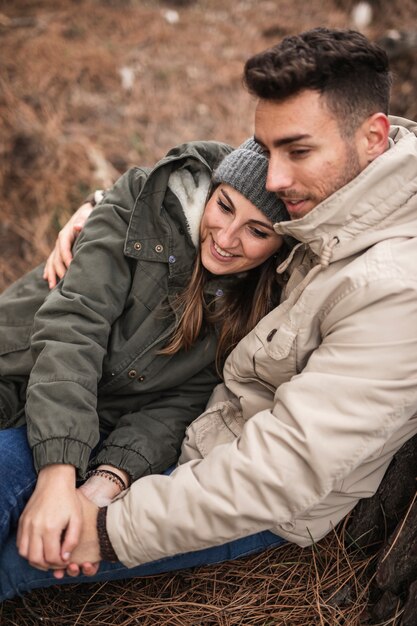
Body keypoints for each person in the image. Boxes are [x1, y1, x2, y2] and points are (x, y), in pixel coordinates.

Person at [2, 25, 417, 603]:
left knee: (16, 544)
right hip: (141, 424)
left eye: (296, 151)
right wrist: (119, 208)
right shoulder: (323, 201)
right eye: (269, 149)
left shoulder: (397, 290)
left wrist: (105, 521)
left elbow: (280, 472)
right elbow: (221, 190)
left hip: (215, 483)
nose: (275, 177)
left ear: (374, 137)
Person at [0, 140, 287, 579]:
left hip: (92, 425)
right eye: (224, 207)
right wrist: (58, 477)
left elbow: (178, 408)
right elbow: (73, 327)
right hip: (17, 368)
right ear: (211, 190)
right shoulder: (144, 208)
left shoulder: (257, 308)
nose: (227, 239)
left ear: (279, 245)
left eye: (258, 231)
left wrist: (103, 485)